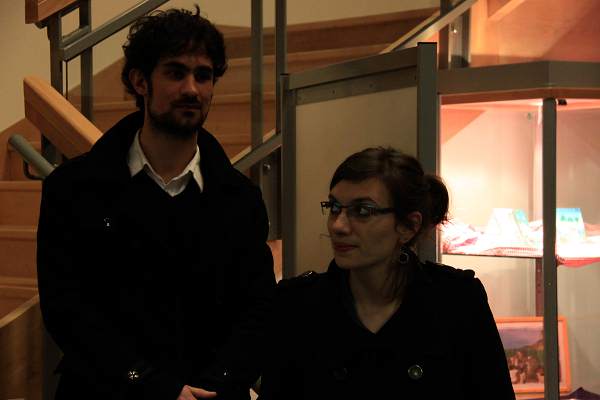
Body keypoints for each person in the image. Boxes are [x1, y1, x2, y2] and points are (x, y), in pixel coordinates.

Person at [36, 6, 275, 400]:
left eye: (203, 75)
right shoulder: (74, 188)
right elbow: (67, 309)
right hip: (106, 391)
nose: (192, 90)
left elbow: (257, 309)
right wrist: (154, 386)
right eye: (176, 73)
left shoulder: (240, 198)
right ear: (140, 81)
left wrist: (215, 385)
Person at [258, 147, 515, 399]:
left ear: (408, 226)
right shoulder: (298, 305)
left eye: (362, 211)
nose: (338, 225)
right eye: (335, 207)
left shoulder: (456, 301)